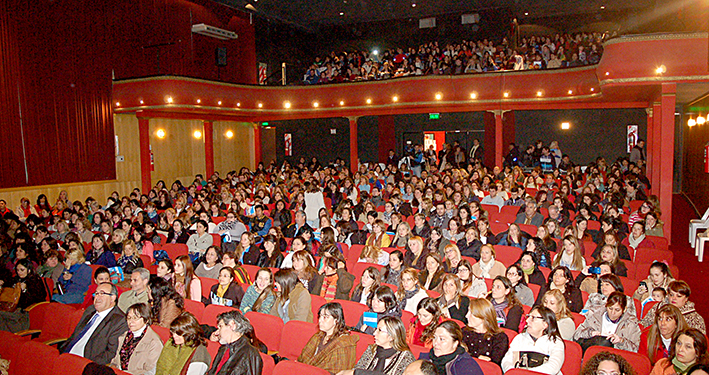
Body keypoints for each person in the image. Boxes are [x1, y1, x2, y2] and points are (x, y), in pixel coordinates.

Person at [60, 282, 129, 365]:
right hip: (67, 355)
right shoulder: (90, 310)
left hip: (85, 362)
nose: (97, 297)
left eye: (102, 293)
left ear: (112, 298)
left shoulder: (119, 320)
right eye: (96, 293)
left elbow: (110, 353)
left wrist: (88, 366)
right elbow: (75, 336)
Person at [337, 316, 416, 375]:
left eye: (380, 330)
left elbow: (357, 372)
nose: (374, 333)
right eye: (376, 329)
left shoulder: (406, 358)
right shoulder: (372, 349)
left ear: (392, 336)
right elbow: (358, 370)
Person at [501, 306, 565, 375]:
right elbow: (506, 361)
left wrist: (527, 373)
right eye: (528, 317)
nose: (527, 320)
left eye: (533, 318)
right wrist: (514, 372)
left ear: (545, 324)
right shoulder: (519, 338)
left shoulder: (555, 342)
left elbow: (553, 367)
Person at [299, 302, 359, 373]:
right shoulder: (318, 336)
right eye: (320, 316)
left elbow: (336, 371)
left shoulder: (344, 345)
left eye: (325, 317)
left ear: (336, 320)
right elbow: (303, 359)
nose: (320, 320)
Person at [573, 291, 641, 353]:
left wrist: (621, 341)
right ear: (606, 305)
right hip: (593, 351)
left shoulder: (631, 323)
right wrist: (590, 333)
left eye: (617, 310)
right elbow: (576, 335)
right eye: (610, 308)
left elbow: (635, 349)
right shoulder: (595, 316)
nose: (613, 313)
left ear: (624, 309)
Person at [109, 302, 164, 374]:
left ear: (146, 320)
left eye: (135, 318)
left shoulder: (154, 342)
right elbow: (115, 361)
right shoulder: (124, 336)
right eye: (129, 318)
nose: (131, 322)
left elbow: (150, 371)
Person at [206, 310, 263, 375]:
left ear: (232, 326)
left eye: (220, 327)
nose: (217, 332)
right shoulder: (223, 348)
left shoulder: (251, 354)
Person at [0, 259, 47, 332]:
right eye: (18, 270)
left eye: (22, 270)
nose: (19, 272)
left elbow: (39, 298)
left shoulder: (35, 281)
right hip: (13, 307)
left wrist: (25, 290)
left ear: (28, 270)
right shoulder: (16, 279)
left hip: (25, 311)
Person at [642, 280, 706, 334]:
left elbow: (699, 342)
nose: (673, 298)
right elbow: (644, 325)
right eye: (671, 295)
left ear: (686, 298)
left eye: (679, 296)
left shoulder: (695, 318)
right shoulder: (657, 308)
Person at [461, 298, 509, 365]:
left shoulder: (499, 338)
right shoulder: (463, 332)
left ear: (483, 317)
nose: (466, 316)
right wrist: (477, 357)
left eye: (471, 313)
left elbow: (493, 363)